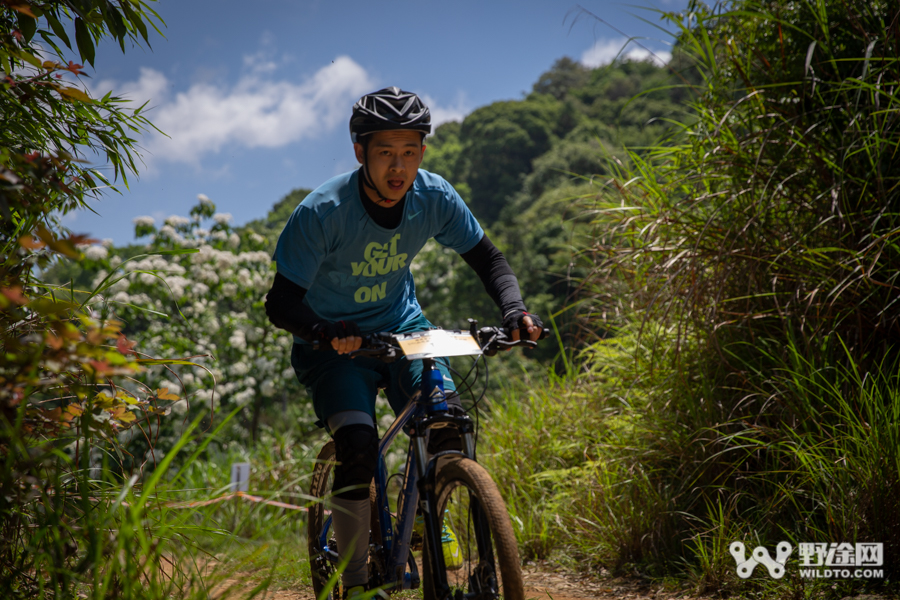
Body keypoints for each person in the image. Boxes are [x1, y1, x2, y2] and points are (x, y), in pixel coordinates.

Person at [264, 86, 541, 597]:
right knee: (358, 447)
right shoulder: (323, 212)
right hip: (335, 349)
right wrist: (324, 331)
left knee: (447, 425)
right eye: (386, 153)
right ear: (359, 152)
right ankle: (357, 583)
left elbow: (489, 259)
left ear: (423, 153)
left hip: (403, 330)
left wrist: (515, 312)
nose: (399, 167)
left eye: (410, 152)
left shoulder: (432, 197)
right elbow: (279, 304)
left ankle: (432, 513)